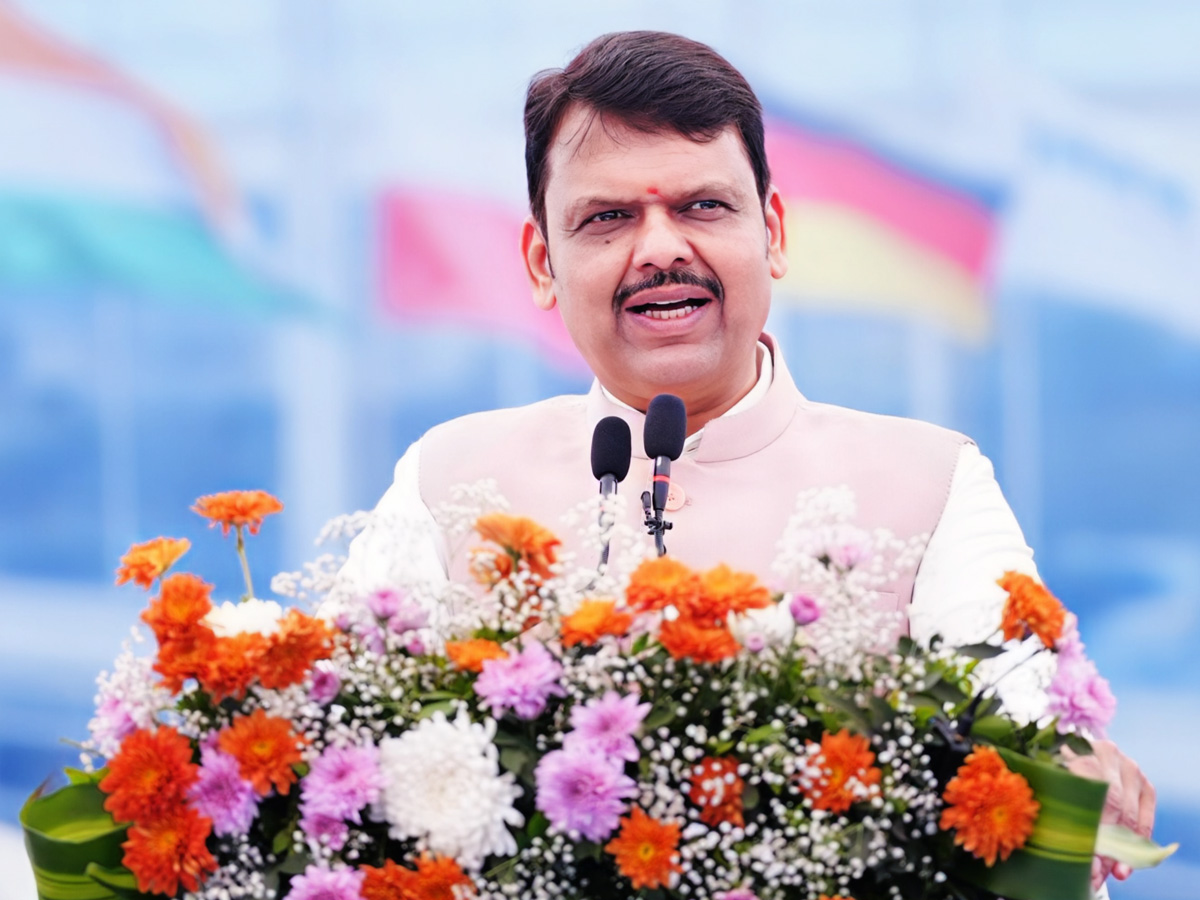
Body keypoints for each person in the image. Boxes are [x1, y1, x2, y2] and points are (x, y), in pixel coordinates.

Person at [346, 30, 1154, 890]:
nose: (659, 249)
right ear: (543, 263)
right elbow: (332, 756)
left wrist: (1061, 776)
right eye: (608, 218)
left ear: (771, 233)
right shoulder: (450, 479)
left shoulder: (931, 483)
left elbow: (1025, 761)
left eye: (702, 206)